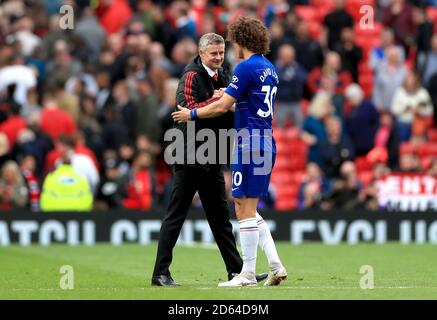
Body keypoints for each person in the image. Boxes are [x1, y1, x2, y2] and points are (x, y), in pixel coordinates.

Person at [172, 17, 287, 287]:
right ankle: (275, 264)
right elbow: (251, 104)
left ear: (242, 40)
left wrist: (192, 113)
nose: (232, 46)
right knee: (249, 207)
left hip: (248, 144)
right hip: (266, 142)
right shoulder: (269, 68)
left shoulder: (245, 67)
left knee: (242, 209)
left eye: (234, 41)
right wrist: (235, 97)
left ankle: (246, 274)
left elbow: (222, 107)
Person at [151, 33, 267, 287]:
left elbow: (226, 106)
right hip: (190, 154)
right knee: (176, 215)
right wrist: (220, 100)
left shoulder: (223, 73)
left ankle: (237, 271)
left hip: (212, 154)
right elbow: (185, 109)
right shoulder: (191, 76)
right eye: (213, 53)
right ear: (201, 53)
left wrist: (226, 103)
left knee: (220, 219)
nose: (218, 57)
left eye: (221, 53)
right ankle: (160, 273)